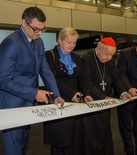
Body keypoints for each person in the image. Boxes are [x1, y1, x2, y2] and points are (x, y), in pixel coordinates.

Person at [0, 7, 64, 155]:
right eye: (36, 29)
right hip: (12, 104)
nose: (39, 33)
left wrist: (56, 95)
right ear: (24, 23)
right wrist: (34, 93)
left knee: (23, 145)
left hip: (27, 104)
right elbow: (3, 80)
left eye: (42, 29)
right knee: (14, 149)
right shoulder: (11, 43)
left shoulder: (39, 42)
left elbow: (45, 70)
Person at [43, 27, 92, 155]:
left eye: (74, 42)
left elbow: (82, 79)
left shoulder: (76, 57)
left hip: (75, 102)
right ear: (60, 40)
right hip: (58, 101)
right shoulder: (50, 55)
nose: (72, 46)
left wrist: (85, 94)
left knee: (74, 138)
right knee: (60, 140)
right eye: (69, 42)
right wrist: (71, 93)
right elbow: (51, 79)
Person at [79, 37, 131, 155]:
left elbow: (115, 78)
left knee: (104, 131)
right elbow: (86, 82)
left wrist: (123, 92)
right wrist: (103, 97)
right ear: (99, 49)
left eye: (112, 55)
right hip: (92, 102)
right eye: (107, 54)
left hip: (105, 103)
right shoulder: (87, 58)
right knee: (93, 133)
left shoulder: (110, 61)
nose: (109, 58)